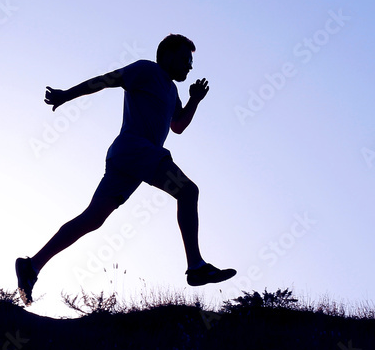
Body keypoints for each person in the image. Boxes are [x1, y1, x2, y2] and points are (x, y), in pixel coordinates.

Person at [16, 34, 235, 305]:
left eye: (191, 62)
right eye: (185, 59)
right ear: (167, 55)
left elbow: (177, 125)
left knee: (92, 218)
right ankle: (196, 266)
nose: (190, 66)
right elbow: (106, 80)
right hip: (135, 148)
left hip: (129, 159)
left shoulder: (172, 91)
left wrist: (195, 101)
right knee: (188, 192)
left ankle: (32, 265)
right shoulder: (146, 69)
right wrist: (66, 95)